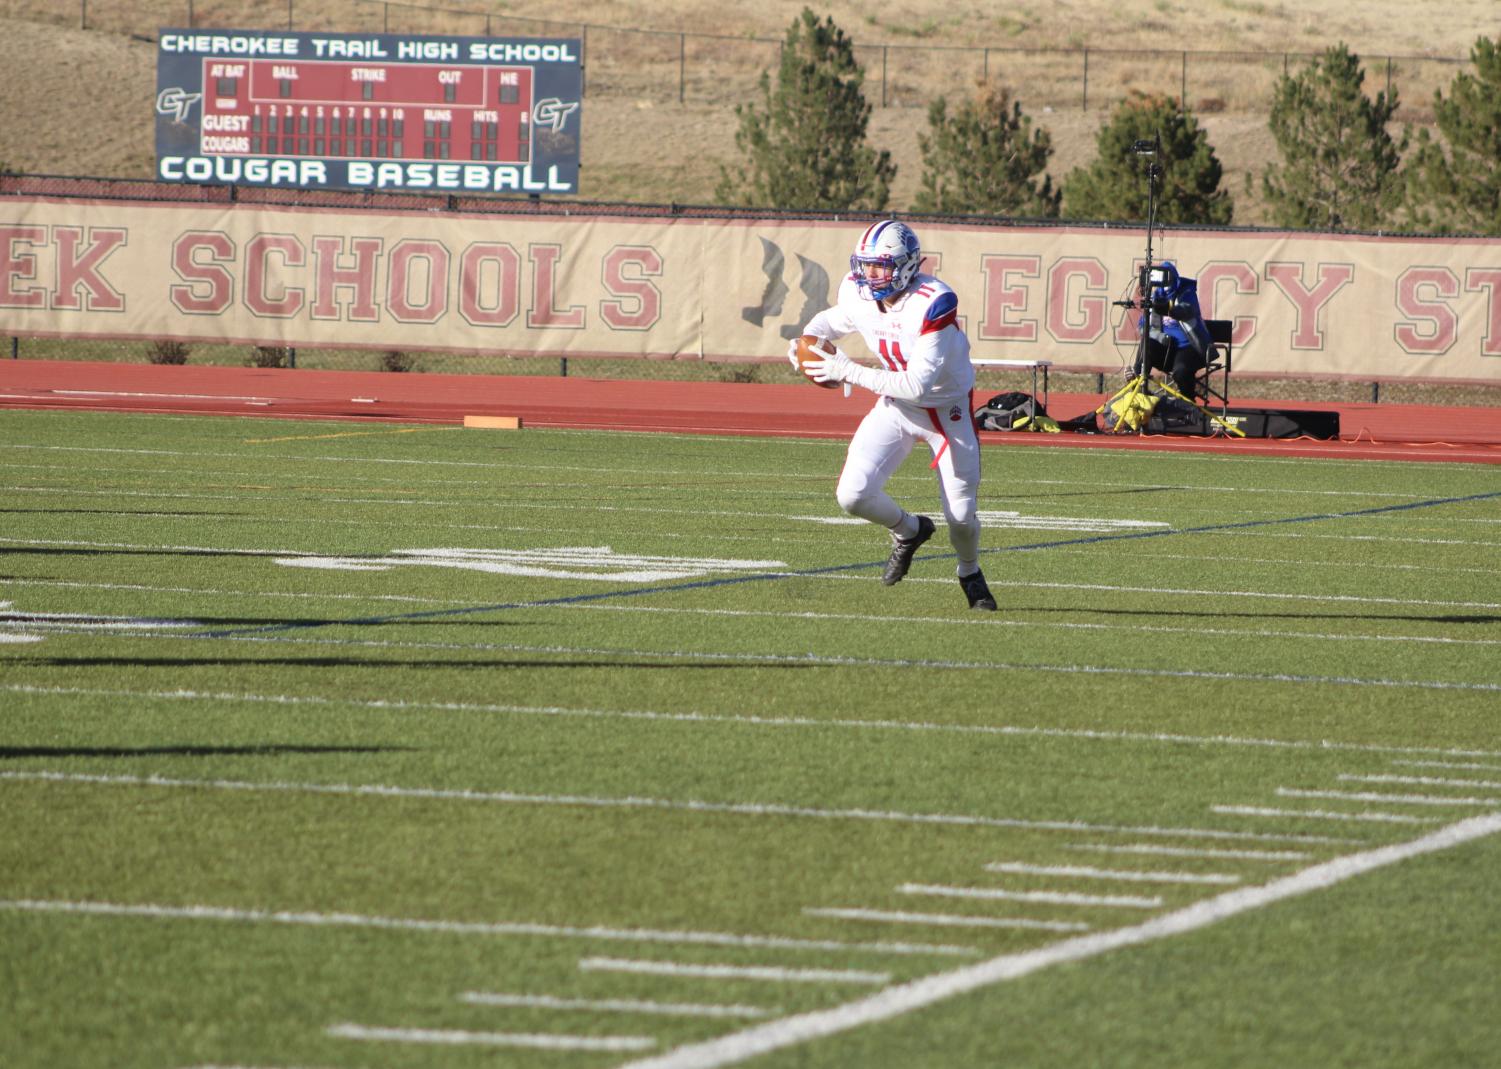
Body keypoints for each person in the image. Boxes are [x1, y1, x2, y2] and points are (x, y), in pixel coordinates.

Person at [788, 219, 996, 612]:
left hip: (945, 414)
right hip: (895, 409)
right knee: (852, 495)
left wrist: (847, 370)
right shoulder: (858, 291)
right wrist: (803, 344)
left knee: (962, 517)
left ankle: (969, 572)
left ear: (907, 265)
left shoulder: (933, 303)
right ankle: (910, 530)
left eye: (880, 266)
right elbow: (830, 322)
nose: (870, 275)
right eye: (865, 265)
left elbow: (917, 385)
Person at [1134, 260, 1214, 398]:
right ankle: (1140, 389)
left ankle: (1188, 401)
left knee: (1181, 372)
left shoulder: (1187, 293)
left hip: (1189, 348)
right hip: (1166, 349)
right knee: (1146, 343)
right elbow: (1142, 326)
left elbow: (1187, 309)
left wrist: (1169, 309)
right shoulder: (1155, 296)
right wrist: (1160, 337)